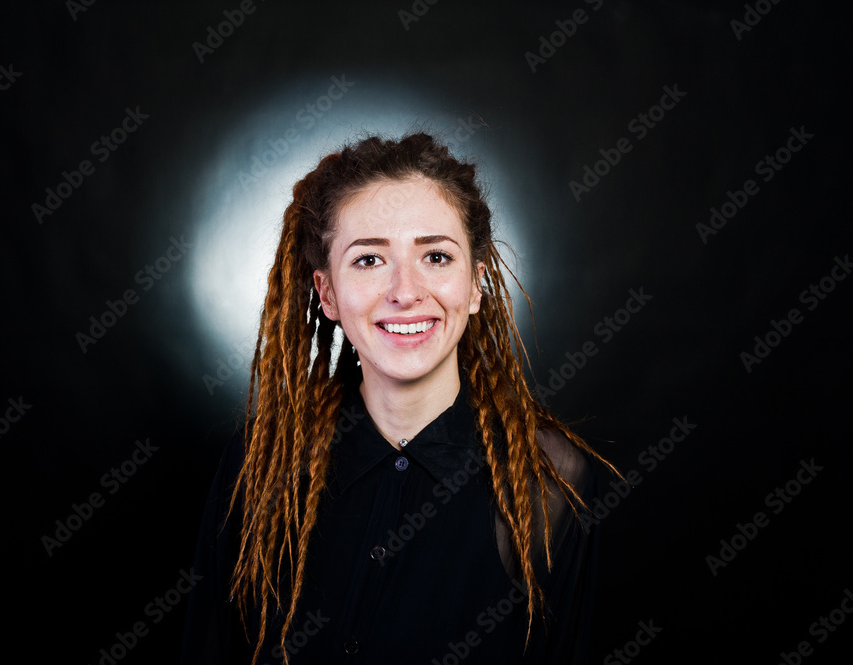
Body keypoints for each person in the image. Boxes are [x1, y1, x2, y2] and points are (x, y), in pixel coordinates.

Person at [181, 132, 619, 664]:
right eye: (369, 261)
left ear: (476, 284)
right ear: (327, 293)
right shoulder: (259, 464)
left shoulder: (552, 482)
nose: (406, 291)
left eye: (436, 256)